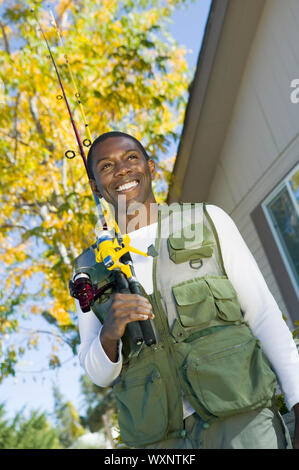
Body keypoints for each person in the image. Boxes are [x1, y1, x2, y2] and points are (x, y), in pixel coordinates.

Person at [74, 131, 299, 449]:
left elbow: (262, 315)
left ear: (151, 168)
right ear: (96, 186)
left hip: (243, 423)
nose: (122, 170)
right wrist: (109, 333)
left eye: (131, 158)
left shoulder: (209, 220)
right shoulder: (89, 268)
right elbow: (98, 373)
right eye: (107, 165)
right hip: (161, 442)